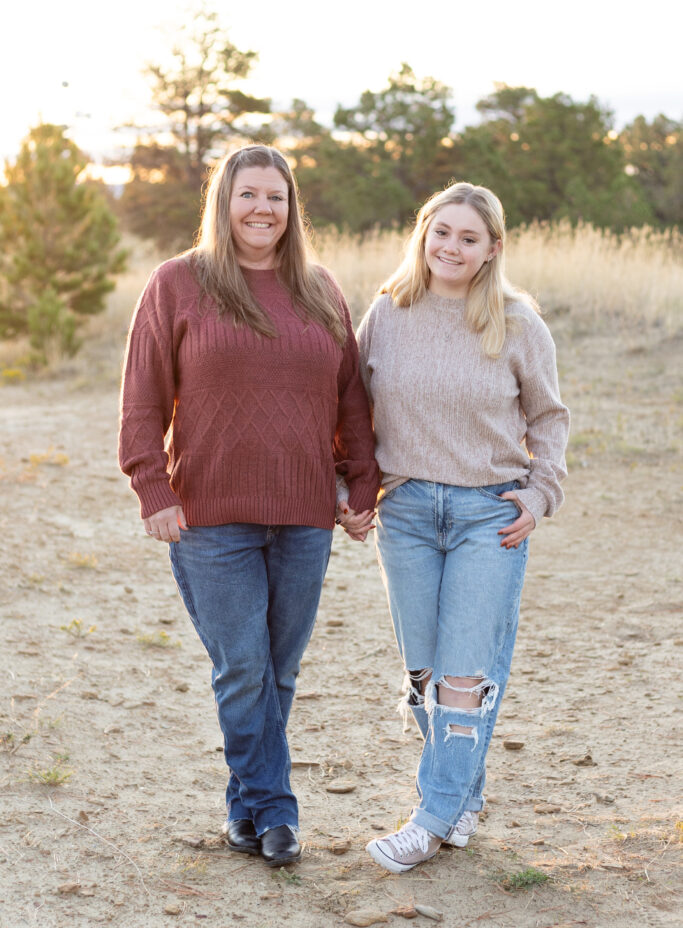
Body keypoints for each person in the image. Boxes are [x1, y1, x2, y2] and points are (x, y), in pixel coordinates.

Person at [118, 144, 379, 868]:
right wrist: (152, 487)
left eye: (276, 196)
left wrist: (362, 485)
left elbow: (348, 397)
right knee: (242, 666)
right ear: (223, 202)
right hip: (208, 512)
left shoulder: (320, 289)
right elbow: (142, 397)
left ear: (291, 207)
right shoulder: (178, 283)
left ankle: (247, 809)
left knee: (278, 670)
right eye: (248, 195)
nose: (262, 209)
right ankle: (277, 813)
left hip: (302, 511)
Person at [355, 181, 569, 873]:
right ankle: (464, 797)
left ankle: (430, 819)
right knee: (424, 674)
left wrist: (539, 497)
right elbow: (350, 410)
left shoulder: (516, 322)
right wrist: (348, 486)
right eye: (440, 231)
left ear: (490, 249)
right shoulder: (386, 314)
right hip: (408, 513)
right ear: (422, 234)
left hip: (489, 516)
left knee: (461, 677)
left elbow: (548, 419)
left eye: (467, 237)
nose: (450, 246)